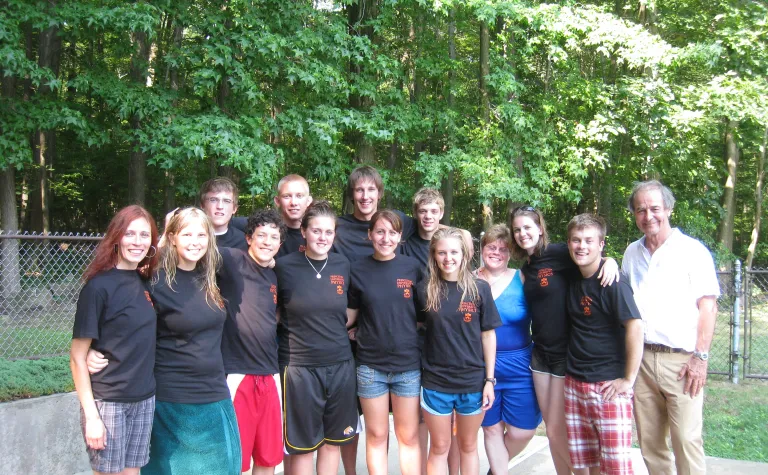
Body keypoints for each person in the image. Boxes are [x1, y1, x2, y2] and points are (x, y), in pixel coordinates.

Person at [509, 206, 617, 475]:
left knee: (559, 431)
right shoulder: (527, 267)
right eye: (517, 229)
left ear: (540, 228)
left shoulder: (558, 253)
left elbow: (588, 258)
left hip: (564, 354)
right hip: (540, 354)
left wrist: (610, 260)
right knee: (552, 430)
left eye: (527, 227)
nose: (522, 233)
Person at [621, 180, 719, 475]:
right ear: (634, 215)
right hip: (642, 361)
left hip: (682, 363)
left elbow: (708, 307)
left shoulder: (692, 251)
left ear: (668, 209)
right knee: (651, 444)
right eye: (640, 210)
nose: (648, 216)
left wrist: (700, 358)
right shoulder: (631, 253)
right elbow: (624, 305)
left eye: (654, 208)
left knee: (686, 440)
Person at [142, 207, 241, 474]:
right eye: (187, 234)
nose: (194, 241)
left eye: (201, 235)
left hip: (215, 392)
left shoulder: (210, 279)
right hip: (172, 400)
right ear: (172, 237)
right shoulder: (154, 281)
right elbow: (128, 326)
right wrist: (94, 351)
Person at [70, 205, 159, 475]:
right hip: (108, 402)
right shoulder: (98, 288)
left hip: (144, 399)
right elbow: (77, 357)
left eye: (144, 235)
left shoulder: (146, 282)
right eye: (130, 233)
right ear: (116, 237)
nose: (137, 241)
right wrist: (92, 418)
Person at [274, 200, 359, 475]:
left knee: (333, 442)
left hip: (340, 364)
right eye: (316, 231)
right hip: (299, 368)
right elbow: (272, 312)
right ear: (304, 232)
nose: (323, 237)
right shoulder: (283, 267)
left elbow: (351, 308)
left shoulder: (343, 264)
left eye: (328, 232)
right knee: (303, 447)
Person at [417, 227, 501, 475]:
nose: (448, 258)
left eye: (454, 252)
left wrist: (489, 380)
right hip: (436, 382)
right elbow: (415, 328)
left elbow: (488, 335)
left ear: (464, 254)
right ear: (434, 255)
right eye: (442, 252)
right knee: (439, 447)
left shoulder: (479, 289)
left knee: (468, 446)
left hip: (472, 382)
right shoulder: (424, 289)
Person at [564, 214, 643, 475]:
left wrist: (628, 379)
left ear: (601, 244)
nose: (581, 246)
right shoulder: (572, 274)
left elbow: (635, 327)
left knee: (616, 466)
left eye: (589, 240)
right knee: (587, 463)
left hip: (608, 386)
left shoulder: (614, 283)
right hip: (575, 383)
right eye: (576, 240)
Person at [347, 210, 423, 475]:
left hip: (407, 365)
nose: (385, 238)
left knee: (408, 436)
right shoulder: (357, 269)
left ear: (400, 237)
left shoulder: (412, 268)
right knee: (377, 435)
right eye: (379, 231)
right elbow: (350, 315)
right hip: (370, 366)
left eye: (392, 232)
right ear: (369, 234)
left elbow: (424, 314)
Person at [218, 209, 286, 475]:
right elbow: (192, 253)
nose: (267, 242)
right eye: (261, 235)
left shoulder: (273, 274)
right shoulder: (231, 259)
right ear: (248, 238)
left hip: (270, 373)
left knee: (268, 458)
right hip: (238, 373)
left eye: (274, 237)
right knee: (236, 460)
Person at [475, 225, 541, 475]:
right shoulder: (469, 279)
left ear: (511, 253)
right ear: (482, 249)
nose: (497, 252)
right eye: (491, 247)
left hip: (520, 364)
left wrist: (608, 261)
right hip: (481, 366)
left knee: (522, 431)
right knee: (491, 428)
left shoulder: (522, 278)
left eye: (503, 249)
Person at [200, 177, 247, 251]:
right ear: (202, 205)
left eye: (226, 201)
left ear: (234, 209)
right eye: (213, 200)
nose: (220, 206)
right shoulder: (191, 238)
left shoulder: (243, 242)